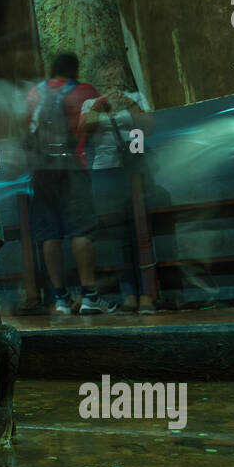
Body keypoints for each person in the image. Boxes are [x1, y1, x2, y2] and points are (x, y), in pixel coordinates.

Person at [24, 52, 109, 315]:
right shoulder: (84, 91)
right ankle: (89, 296)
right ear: (75, 69)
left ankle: (59, 298)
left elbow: (26, 129)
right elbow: (92, 128)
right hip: (73, 167)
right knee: (80, 230)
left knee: (50, 234)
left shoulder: (34, 93)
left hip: (41, 172)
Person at [80, 59, 156, 313]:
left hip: (134, 170)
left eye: (114, 72)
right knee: (117, 235)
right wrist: (100, 107)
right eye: (106, 73)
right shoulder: (90, 104)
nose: (111, 77)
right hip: (104, 172)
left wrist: (129, 103)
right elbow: (82, 133)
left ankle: (147, 294)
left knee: (142, 231)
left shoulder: (135, 96)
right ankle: (129, 295)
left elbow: (149, 127)